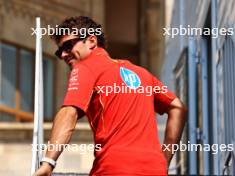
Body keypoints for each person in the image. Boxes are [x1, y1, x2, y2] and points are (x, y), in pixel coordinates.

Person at [33, 16, 187, 176]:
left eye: (68, 45)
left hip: (114, 169)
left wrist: (48, 163)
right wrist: (163, 160)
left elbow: (69, 112)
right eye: (60, 51)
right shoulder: (142, 74)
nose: (64, 54)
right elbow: (178, 108)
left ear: (92, 41)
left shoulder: (85, 67)